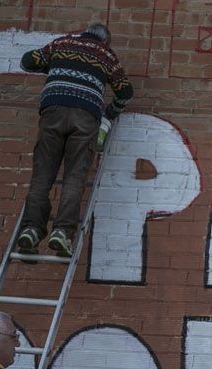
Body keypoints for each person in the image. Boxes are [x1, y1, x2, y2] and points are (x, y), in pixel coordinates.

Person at [16, 19, 134, 258]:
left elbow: (27, 61)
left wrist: (51, 67)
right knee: (74, 177)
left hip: (53, 112)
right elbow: (125, 90)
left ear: (84, 33)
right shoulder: (106, 55)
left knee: (42, 176)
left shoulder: (62, 43)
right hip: (85, 117)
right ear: (105, 40)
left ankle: (31, 229)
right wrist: (109, 114)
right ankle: (62, 232)